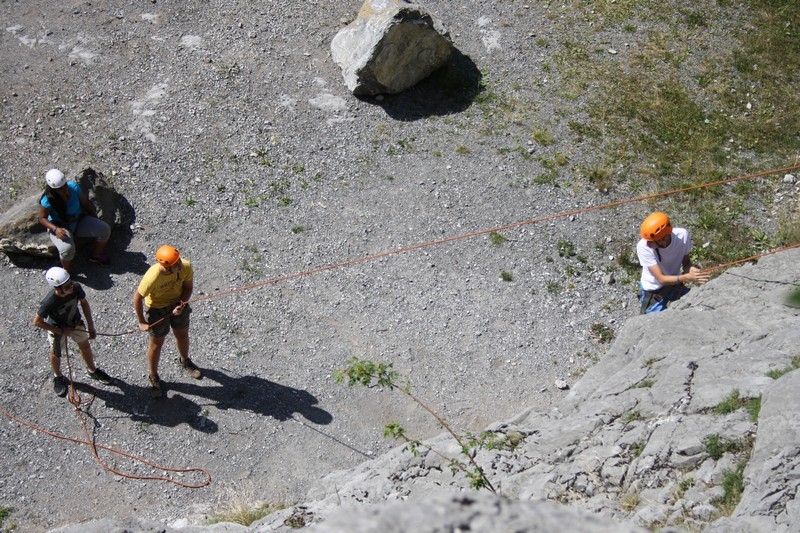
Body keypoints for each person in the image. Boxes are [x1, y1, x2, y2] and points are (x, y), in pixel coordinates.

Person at [33, 267, 114, 397]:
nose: (70, 287)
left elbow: (84, 303)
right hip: (57, 329)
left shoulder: (76, 287)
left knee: (85, 346)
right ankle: (58, 376)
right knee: (56, 353)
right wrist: (61, 331)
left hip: (75, 323)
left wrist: (91, 326)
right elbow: (37, 321)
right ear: (57, 289)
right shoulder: (49, 302)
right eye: (66, 287)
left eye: (70, 283)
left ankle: (92, 370)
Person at [133, 245, 202, 398]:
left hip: (178, 303)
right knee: (156, 344)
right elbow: (137, 298)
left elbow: (188, 288)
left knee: (182, 335)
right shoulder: (152, 277)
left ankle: (185, 361)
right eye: (175, 264)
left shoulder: (185, 266)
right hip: (157, 309)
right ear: (166, 266)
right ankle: (153, 377)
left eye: (178, 260)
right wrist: (141, 321)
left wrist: (181, 304)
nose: (179, 264)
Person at [38, 168, 111, 271]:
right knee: (67, 249)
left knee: (104, 229)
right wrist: (55, 229)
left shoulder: (73, 187)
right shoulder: (48, 200)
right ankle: (66, 272)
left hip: (78, 220)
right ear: (54, 189)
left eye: (65, 186)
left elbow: (85, 203)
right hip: (60, 226)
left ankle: (96, 255)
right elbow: (42, 218)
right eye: (60, 188)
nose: (64, 189)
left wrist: (93, 216)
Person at [637, 212, 710, 314]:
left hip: (673, 285)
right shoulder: (643, 247)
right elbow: (661, 279)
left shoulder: (682, 236)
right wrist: (688, 277)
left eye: (651, 241)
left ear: (663, 238)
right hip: (654, 289)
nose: (648, 243)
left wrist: (692, 270)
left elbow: (686, 263)